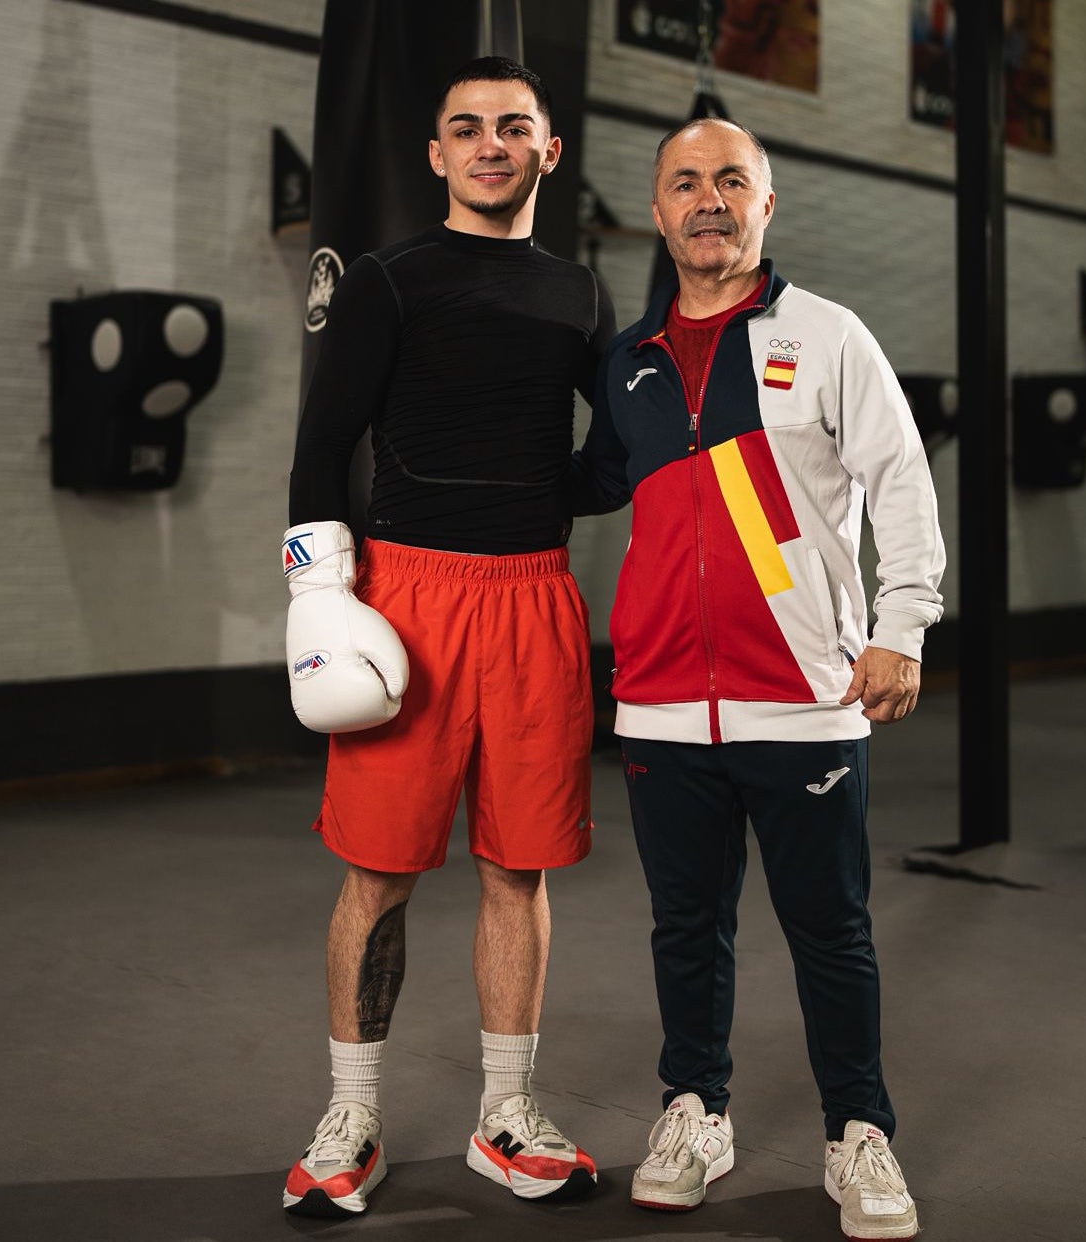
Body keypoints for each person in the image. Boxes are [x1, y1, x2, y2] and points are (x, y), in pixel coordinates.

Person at [572, 118, 944, 1240]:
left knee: (829, 927)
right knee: (686, 926)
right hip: (662, 707)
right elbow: (583, 483)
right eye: (685, 183)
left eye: (732, 180)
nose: (709, 199)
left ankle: (859, 1133)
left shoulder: (825, 337)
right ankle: (695, 1108)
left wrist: (904, 625)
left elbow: (903, 484)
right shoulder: (629, 364)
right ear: (659, 212)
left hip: (805, 698)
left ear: (765, 206)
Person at [279, 56, 614, 1216]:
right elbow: (323, 441)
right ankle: (351, 1115)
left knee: (516, 866)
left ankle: (504, 1117)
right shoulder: (389, 278)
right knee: (378, 866)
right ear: (435, 155)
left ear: (546, 151)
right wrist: (317, 591)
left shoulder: (577, 294)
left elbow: (612, 450)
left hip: (533, 596)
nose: (487, 144)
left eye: (511, 128)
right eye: (464, 128)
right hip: (405, 598)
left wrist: (553, 485)